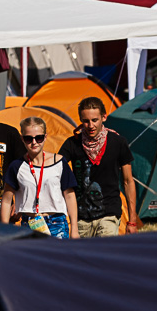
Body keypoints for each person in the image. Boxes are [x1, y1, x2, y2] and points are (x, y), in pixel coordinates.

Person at [59, 97, 137, 237]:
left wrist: (132, 221)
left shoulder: (118, 142)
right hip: (81, 217)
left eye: (94, 120)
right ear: (80, 120)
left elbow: (128, 181)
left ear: (104, 117)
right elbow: (55, 168)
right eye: (86, 121)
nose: (90, 125)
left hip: (109, 214)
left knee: (105, 250)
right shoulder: (72, 144)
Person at [1, 116, 79, 238]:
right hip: (29, 223)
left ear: (45, 137)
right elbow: (6, 200)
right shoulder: (16, 166)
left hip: (57, 223)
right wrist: (4, 231)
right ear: (22, 139)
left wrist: (74, 229)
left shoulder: (59, 162)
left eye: (39, 138)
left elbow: (69, 195)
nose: (34, 142)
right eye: (28, 138)